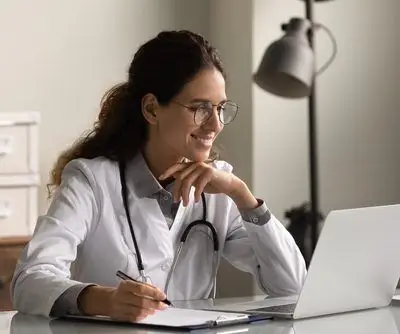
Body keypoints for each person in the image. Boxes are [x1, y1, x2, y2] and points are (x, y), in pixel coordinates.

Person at [11, 30, 306, 322]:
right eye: (200, 108)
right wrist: (104, 299)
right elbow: (29, 280)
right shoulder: (92, 180)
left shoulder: (221, 189)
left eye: (219, 108)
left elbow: (293, 287)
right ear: (152, 109)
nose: (215, 124)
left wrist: (242, 196)